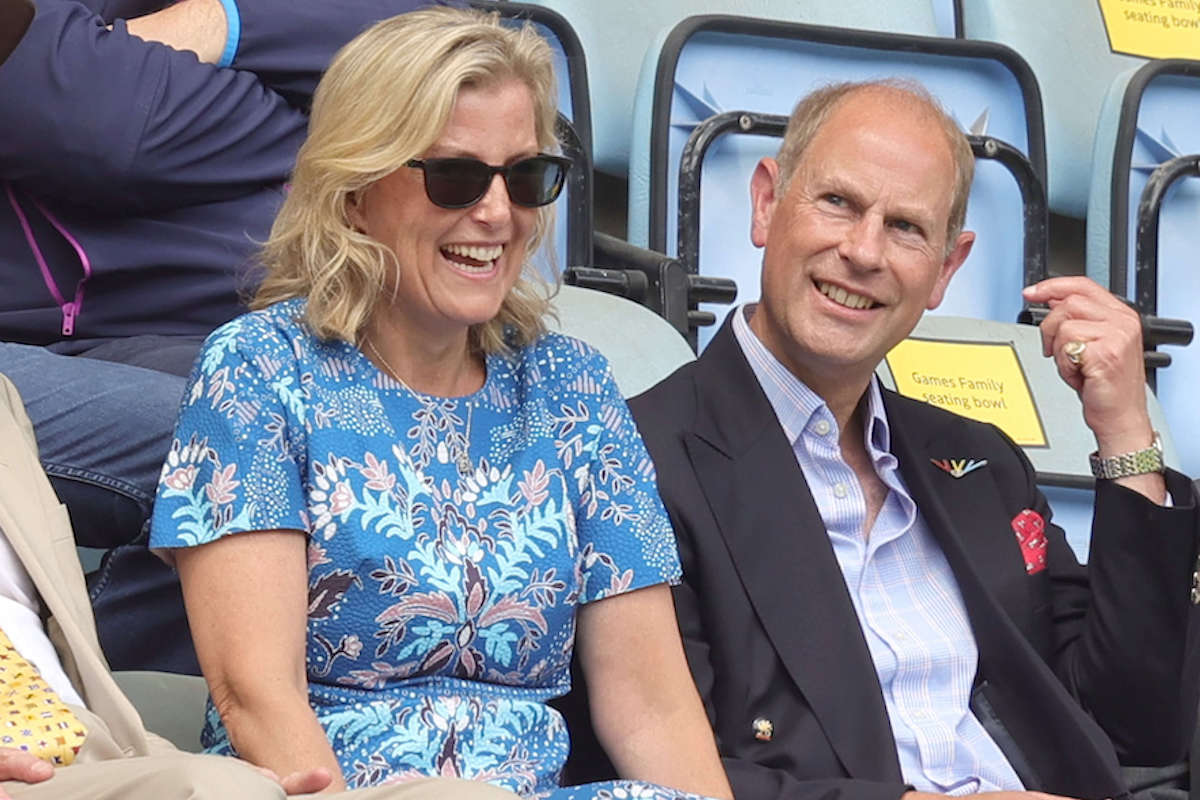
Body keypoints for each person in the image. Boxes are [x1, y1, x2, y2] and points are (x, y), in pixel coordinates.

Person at [148, 8, 734, 799]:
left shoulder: (574, 388)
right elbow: (257, 696)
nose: (496, 211)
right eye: (455, 175)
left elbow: (654, 709)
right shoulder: (258, 369)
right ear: (355, 192)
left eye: (526, 176)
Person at [627, 80, 1200, 800]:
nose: (863, 251)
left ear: (946, 268)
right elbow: (655, 768)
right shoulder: (639, 454)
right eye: (838, 202)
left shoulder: (981, 463)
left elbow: (1134, 725)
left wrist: (1125, 432)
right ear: (767, 202)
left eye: (906, 227)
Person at [0, 0, 449, 673]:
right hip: (34, 354)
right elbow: (89, 119)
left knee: (356, 433)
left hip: (147, 335)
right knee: (229, 442)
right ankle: (81, 697)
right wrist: (294, 123)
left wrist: (215, 23)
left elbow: (439, 49)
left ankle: (106, 692)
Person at [0, 372, 522, 800]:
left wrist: (175, 764)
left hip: (97, 757)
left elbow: (59, 682)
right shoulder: (253, 367)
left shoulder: (5, 402)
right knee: (215, 788)